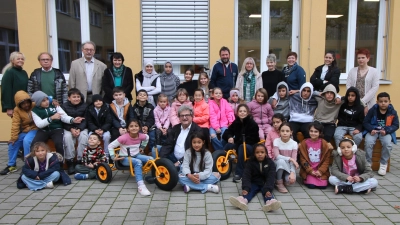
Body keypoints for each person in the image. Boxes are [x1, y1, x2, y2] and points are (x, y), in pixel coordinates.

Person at [229, 144, 281, 212]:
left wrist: (268, 189)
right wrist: (246, 188)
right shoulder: (250, 162)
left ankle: (270, 203)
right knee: (249, 191)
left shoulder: (270, 163)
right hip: (254, 182)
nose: (260, 154)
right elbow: (246, 175)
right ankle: (242, 201)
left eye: (262, 152)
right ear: (254, 153)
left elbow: (271, 177)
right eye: (257, 152)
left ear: (266, 153)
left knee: (267, 193)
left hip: (265, 182)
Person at [108, 119, 153, 196]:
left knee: (151, 159)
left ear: (139, 128)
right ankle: (141, 186)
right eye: (131, 126)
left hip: (136, 155)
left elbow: (147, 137)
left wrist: (142, 147)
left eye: (136, 126)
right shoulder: (124, 138)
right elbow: (110, 146)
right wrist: (113, 157)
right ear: (128, 129)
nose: (134, 128)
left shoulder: (141, 136)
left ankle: (155, 177)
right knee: (138, 162)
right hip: (124, 158)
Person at [30, 91, 81, 158]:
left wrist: (72, 120)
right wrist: (51, 118)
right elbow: (39, 124)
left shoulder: (54, 105)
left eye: (47, 99)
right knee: (35, 144)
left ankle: (60, 163)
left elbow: (63, 116)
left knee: (59, 143)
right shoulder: (34, 111)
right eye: (43, 101)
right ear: (38, 102)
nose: (47, 102)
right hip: (44, 130)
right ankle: (34, 163)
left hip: (57, 129)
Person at [0, 91, 37, 175]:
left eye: (27, 102)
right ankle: (11, 165)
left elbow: (45, 100)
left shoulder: (34, 105)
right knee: (13, 143)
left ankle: (28, 165)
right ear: (19, 104)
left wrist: (52, 100)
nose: (26, 105)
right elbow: (15, 124)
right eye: (23, 104)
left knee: (26, 141)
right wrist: (13, 137)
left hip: (36, 129)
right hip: (26, 130)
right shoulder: (17, 110)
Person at [363, 92, 399, 175]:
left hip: (385, 132)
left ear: (389, 102)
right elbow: (365, 122)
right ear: (377, 102)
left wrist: (387, 130)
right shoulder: (373, 110)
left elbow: (396, 125)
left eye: (385, 101)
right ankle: (368, 163)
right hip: (373, 131)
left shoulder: (392, 112)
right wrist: (371, 129)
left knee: (387, 144)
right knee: (368, 142)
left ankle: (383, 163)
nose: (383, 103)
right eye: (381, 101)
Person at [223, 104, 260, 182]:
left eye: (244, 111)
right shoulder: (236, 122)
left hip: (251, 146)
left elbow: (252, 139)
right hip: (239, 144)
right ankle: (224, 166)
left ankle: (239, 173)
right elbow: (228, 131)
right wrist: (229, 137)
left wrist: (236, 145)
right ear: (237, 113)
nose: (242, 113)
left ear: (247, 113)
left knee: (242, 147)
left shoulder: (252, 124)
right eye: (240, 111)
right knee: (227, 145)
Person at [61, 88, 88, 174]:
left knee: (84, 137)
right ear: (69, 98)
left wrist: (79, 129)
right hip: (68, 128)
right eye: (74, 97)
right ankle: (70, 161)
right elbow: (62, 120)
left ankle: (80, 160)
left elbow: (86, 120)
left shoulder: (85, 105)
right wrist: (71, 129)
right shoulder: (64, 106)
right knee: (67, 138)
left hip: (82, 128)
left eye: (78, 97)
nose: (76, 99)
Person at [346, 48, 379, 115]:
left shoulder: (374, 71)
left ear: (368, 58)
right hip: (354, 102)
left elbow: (375, 87)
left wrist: (363, 101)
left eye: (363, 58)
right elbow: (348, 85)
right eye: (359, 58)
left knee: (367, 121)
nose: (360, 60)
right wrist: (353, 98)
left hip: (368, 102)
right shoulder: (352, 71)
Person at [299, 122, 331, 189]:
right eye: (311, 131)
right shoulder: (304, 143)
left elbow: (326, 160)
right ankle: (307, 178)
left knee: (323, 186)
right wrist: (310, 170)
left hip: (320, 170)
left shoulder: (324, 144)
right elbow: (303, 160)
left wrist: (320, 171)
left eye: (316, 132)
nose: (313, 133)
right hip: (309, 170)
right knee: (311, 186)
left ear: (320, 133)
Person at [273, 122, 299, 193]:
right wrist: (290, 159)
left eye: (287, 131)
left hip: (288, 166)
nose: (285, 133)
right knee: (281, 161)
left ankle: (283, 178)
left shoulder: (294, 144)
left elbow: (294, 159)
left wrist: (293, 173)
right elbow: (277, 156)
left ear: (291, 132)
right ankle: (279, 182)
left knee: (289, 181)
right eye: (282, 131)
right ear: (279, 132)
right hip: (277, 164)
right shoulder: (276, 141)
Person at [85, 94, 113, 160]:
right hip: (93, 130)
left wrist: (103, 129)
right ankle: (90, 156)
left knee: (107, 137)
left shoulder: (107, 108)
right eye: (96, 101)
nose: (98, 102)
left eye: (100, 100)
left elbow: (109, 121)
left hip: (104, 129)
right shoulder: (89, 109)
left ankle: (106, 155)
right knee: (90, 138)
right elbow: (89, 121)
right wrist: (95, 130)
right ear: (93, 102)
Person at [1, 51, 29, 117]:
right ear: (12, 60)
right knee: (18, 125)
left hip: (25, 104)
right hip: (15, 106)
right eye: (18, 59)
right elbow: (6, 91)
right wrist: (8, 107)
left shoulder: (24, 72)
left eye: (22, 59)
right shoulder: (9, 72)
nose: (20, 60)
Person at [133, 89, 156, 154]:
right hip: (139, 126)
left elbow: (151, 119)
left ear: (147, 97)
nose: (142, 96)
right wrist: (141, 127)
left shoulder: (150, 106)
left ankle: (151, 151)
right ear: (137, 97)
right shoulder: (134, 107)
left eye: (144, 95)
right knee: (139, 136)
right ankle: (140, 151)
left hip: (149, 126)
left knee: (152, 137)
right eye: (140, 95)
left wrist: (146, 126)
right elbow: (135, 119)